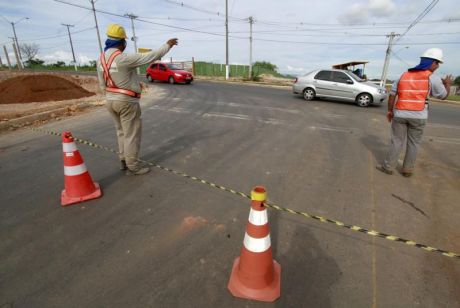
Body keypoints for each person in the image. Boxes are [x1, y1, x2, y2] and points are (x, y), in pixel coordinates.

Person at [97, 24, 178, 175]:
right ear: (122, 42)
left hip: (110, 101)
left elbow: (102, 84)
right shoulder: (123, 58)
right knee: (131, 134)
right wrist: (167, 45)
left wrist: (112, 95)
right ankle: (133, 166)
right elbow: (149, 56)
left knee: (121, 132)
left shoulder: (100, 59)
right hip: (126, 102)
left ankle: (123, 160)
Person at [376, 48, 452, 177]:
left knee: (396, 141)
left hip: (400, 114)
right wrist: (447, 84)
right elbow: (443, 96)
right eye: (437, 63)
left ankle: (388, 167)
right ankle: (407, 170)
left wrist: (390, 111)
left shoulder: (404, 75)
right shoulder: (432, 78)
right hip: (419, 116)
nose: (438, 66)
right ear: (431, 62)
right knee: (414, 143)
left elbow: (392, 94)